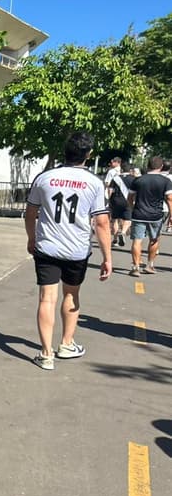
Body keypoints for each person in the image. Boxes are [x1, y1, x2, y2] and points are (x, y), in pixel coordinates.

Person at [24, 132, 112, 371]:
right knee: (71, 295)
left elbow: (30, 212)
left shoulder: (44, 178)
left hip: (47, 247)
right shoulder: (94, 183)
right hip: (76, 250)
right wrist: (107, 257)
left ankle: (45, 354)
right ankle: (66, 344)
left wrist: (32, 238)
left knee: (46, 298)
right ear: (88, 154)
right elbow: (102, 223)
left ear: (65, 151)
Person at [127, 156, 172, 276]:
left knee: (137, 240)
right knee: (154, 239)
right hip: (155, 215)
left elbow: (130, 197)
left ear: (148, 166)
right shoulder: (165, 181)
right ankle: (149, 265)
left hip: (138, 213)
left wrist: (132, 208)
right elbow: (169, 199)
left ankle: (135, 267)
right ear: (161, 167)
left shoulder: (138, 180)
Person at [107, 161, 134, 247]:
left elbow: (110, 190)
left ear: (121, 169)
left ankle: (114, 240)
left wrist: (109, 200)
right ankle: (122, 232)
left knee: (115, 219)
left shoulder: (115, 178)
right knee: (128, 220)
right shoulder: (133, 179)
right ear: (130, 170)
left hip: (115, 200)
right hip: (127, 201)